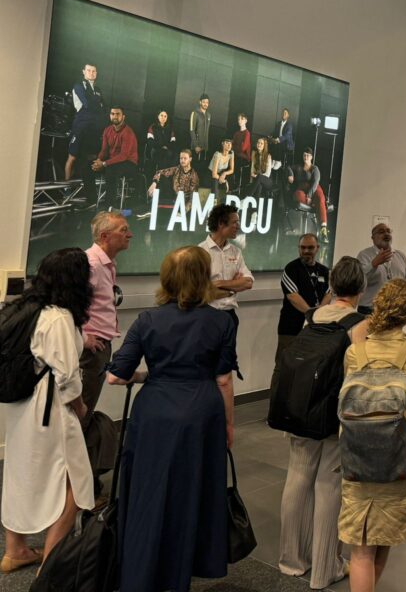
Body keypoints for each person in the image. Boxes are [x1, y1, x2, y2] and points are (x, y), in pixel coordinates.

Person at [107, 246, 239, 592]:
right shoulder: (222, 321)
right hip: (201, 415)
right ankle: (180, 572)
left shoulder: (148, 320)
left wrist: (148, 377)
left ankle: (139, 571)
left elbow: (116, 376)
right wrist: (228, 426)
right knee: (191, 492)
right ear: (204, 277)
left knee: (148, 493)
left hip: (153, 414)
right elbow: (223, 380)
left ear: (167, 277)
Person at [338, 279, 406, 592]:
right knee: (383, 541)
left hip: (357, 459)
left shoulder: (356, 352)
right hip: (400, 460)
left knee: (361, 547)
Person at [278, 256, 369, 590]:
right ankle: (324, 568)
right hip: (333, 415)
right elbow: (361, 374)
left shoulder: (312, 317)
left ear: (331, 285)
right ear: (360, 288)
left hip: (300, 408)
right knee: (329, 485)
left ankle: (291, 560)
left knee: (297, 476)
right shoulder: (359, 324)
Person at [1, 248, 94, 572]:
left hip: (20, 406)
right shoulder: (60, 317)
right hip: (50, 410)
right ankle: (50, 566)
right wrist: (80, 408)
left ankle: (16, 550)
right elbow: (67, 377)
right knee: (76, 484)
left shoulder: (25, 307)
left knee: (20, 474)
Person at [81, 211, 132, 488]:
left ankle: (80, 482)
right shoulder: (90, 264)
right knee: (80, 415)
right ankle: (73, 487)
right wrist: (82, 338)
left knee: (84, 414)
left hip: (99, 348)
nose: (129, 235)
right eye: (123, 230)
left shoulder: (106, 264)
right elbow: (66, 305)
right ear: (104, 236)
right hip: (90, 351)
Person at [277, 233, 332, 359]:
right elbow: (293, 296)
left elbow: (328, 294)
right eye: (303, 248)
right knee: (284, 364)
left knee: (310, 364)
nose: (306, 251)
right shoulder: (291, 269)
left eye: (310, 248)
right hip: (291, 328)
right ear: (299, 248)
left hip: (316, 328)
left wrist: (318, 315)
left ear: (317, 248)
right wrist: (312, 314)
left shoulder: (324, 270)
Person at [199, 203, 254, 329]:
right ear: (221, 224)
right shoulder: (200, 252)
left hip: (230, 316)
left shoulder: (236, 251)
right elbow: (201, 291)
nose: (238, 226)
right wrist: (233, 288)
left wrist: (218, 283)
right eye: (235, 222)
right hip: (206, 315)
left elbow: (248, 282)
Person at [356, 223, 406, 315]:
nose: (386, 234)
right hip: (370, 310)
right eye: (381, 232)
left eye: (388, 231)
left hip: (395, 310)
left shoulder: (400, 256)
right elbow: (359, 281)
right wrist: (374, 264)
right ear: (372, 238)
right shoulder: (364, 255)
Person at [91, 105, 141, 206]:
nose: (115, 116)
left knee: (111, 170)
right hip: (112, 162)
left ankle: (109, 206)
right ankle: (91, 200)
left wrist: (104, 164)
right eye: (112, 114)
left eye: (118, 114)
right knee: (87, 166)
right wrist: (98, 161)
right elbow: (104, 151)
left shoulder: (128, 132)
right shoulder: (107, 130)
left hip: (129, 163)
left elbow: (123, 156)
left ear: (123, 117)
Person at [65, 63, 105, 186]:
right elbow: (87, 104)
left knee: (90, 158)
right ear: (83, 71)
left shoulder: (98, 90)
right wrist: (97, 106)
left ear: (96, 73)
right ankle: (66, 190)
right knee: (72, 157)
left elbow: (104, 108)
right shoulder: (78, 86)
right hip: (80, 125)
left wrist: (98, 108)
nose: (91, 73)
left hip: (93, 128)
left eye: (94, 71)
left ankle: (87, 191)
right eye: (89, 70)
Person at [294, 147, 329, 239]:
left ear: (311, 157)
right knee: (298, 195)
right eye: (304, 155)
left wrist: (309, 195)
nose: (306, 157)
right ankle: (315, 204)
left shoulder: (315, 168)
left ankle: (323, 227)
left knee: (320, 197)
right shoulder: (299, 167)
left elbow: (315, 182)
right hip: (303, 189)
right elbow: (289, 167)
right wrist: (290, 173)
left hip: (314, 188)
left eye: (308, 155)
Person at [189, 94, 211, 181]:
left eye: (207, 102)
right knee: (194, 167)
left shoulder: (209, 115)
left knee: (202, 169)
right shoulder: (195, 113)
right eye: (204, 102)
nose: (206, 104)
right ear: (200, 102)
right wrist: (195, 145)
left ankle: (198, 188)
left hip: (204, 147)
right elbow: (191, 130)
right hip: (196, 147)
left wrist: (206, 146)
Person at [208, 138, 235, 203]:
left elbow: (232, 170)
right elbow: (214, 174)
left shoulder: (231, 153)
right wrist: (223, 180)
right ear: (222, 143)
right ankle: (214, 204)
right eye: (227, 143)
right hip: (211, 173)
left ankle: (226, 203)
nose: (229, 145)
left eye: (230, 143)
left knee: (231, 178)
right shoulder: (217, 154)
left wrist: (224, 173)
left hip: (221, 173)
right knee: (215, 182)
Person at [232, 113, 252, 188]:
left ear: (245, 120)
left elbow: (243, 148)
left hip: (244, 157)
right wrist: (237, 146)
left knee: (235, 162)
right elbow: (232, 146)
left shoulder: (247, 133)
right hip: (236, 155)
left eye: (241, 119)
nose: (239, 121)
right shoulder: (236, 133)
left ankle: (236, 186)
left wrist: (235, 147)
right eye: (239, 119)